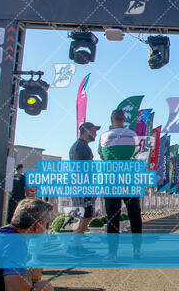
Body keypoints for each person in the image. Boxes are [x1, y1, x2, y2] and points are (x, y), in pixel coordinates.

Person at [98, 109, 140, 261]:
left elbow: (102, 155)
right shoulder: (133, 135)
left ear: (111, 120)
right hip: (130, 179)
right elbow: (136, 154)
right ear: (124, 119)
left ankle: (112, 253)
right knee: (135, 215)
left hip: (111, 180)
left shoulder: (104, 136)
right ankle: (136, 250)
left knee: (112, 217)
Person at [0, 198, 54, 291]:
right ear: (38, 225)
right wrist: (30, 276)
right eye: (46, 225)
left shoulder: (2, 234)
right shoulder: (16, 244)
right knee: (44, 287)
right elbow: (15, 289)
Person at [68, 121, 101, 256]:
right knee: (85, 215)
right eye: (93, 131)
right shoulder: (82, 147)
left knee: (84, 215)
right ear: (85, 130)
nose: (95, 134)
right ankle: (74, 247)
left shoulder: (78, 146)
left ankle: (76, 245)